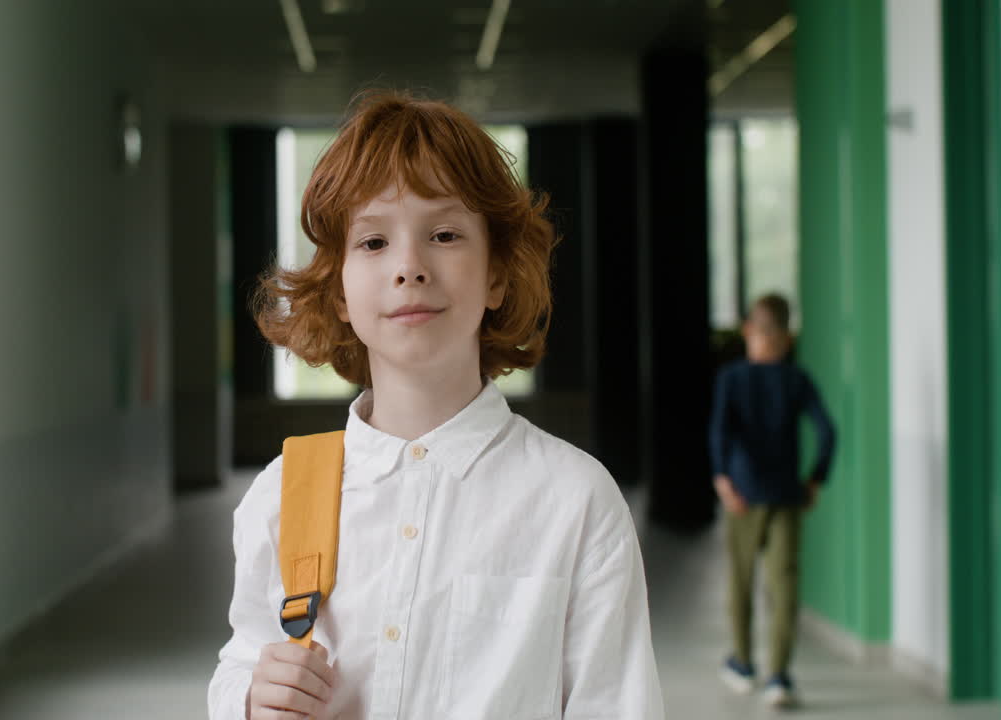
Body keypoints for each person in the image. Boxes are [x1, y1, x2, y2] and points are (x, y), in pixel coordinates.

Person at [207, 91, 663, 719]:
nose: (409, 267)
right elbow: (242, 659)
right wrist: (252, 700)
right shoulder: (285, 494)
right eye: (373, 242)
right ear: (338, 290)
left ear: (497, 274)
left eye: (444, 235)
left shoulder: (575, 500)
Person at [709, 293, 836, 709]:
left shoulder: (732, 378)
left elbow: (720, 431)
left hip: (743, 495)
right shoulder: (797, 379)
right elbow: (827, 431)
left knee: (741, 581)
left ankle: (743, 664)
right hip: (786, 494)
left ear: (749, 329)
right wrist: (815, 479)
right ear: (787, 336)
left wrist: (723, 478)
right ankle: (779, 675)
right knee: (784, 584)